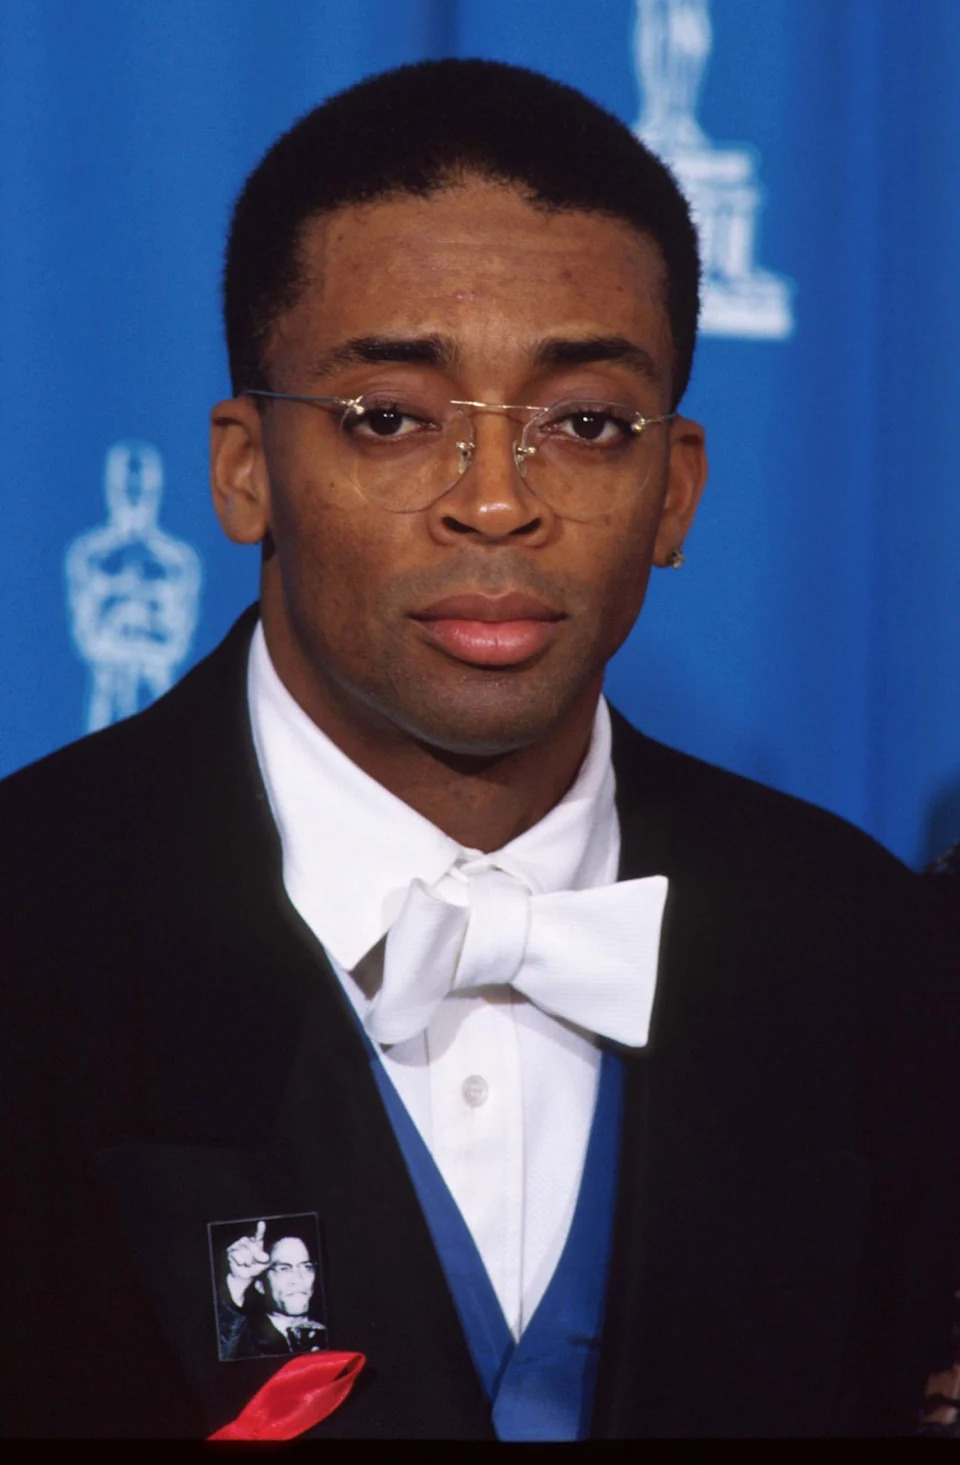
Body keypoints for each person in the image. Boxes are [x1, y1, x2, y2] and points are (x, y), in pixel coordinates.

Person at [0, 58, 956, 1440]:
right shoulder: (31, 924)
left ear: (674, 489)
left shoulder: (870, 956)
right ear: (243, 468)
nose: (498, 501)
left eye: (584, 424)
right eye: (392, 417)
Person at [216, 1220, 327, 1360]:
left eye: (306, 1267)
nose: (298, 1279)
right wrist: (238, 1281)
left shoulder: (327, 1333)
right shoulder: (243, 1342)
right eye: (284, 1269)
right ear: (260, 1285)